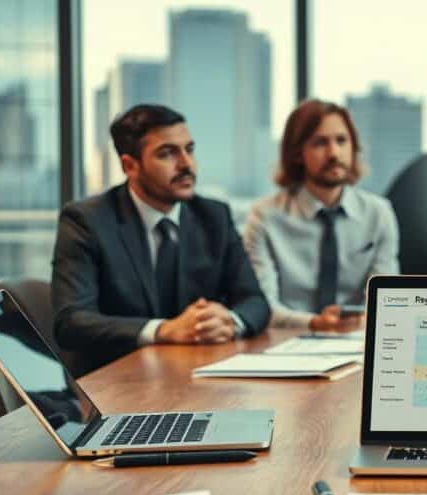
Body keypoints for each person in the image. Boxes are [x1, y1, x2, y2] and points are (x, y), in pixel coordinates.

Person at [51, 104, 270, 374]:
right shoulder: (87, 220)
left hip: (199, 376)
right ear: (130, 166)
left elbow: (256, 302)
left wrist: (229, 320)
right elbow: (72, 322)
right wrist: (164, 330)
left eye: (189, 150)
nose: (186, 164)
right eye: (167, 154)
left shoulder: (214, 216)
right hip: (119, 381)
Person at [243, 99, 399, 332]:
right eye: (320, 143)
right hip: (287, 341)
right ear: (297, 153)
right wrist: (314, 323)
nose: (334, 153)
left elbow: (388, 303)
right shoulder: (264, 216)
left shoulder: (378, 213)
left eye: (341, 141)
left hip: (356, 341)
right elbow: (261, 306)